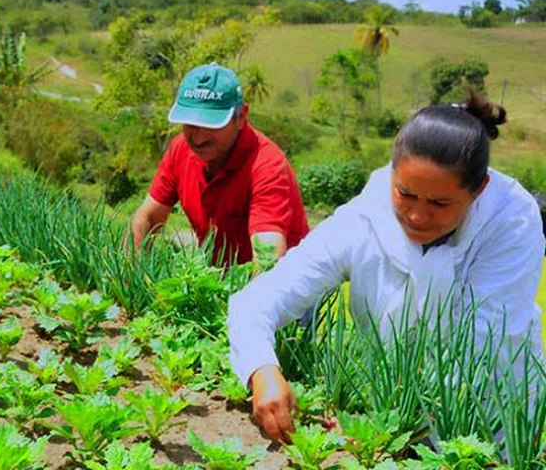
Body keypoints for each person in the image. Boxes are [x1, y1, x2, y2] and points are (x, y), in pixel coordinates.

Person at [227, 93, 545, 442]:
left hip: (490, 421)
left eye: (440, 203)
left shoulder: (510, 220)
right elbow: (257, 301)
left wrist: (384, 426)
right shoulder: (366, 216)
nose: (417, 215)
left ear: (479, 190)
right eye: (405, 194)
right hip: (389, 418)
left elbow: (479, 355)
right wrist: (262, 370)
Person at [131, 63, 309, 265]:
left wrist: (247, 296)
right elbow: (148, 218)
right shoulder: (180, 150)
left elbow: (268, 257)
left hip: (283, 289)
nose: (198, 137)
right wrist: (130, 279)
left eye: (210, 124)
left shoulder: (267, 167)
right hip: (221, 281)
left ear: (240, 117)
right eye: (190, 124)